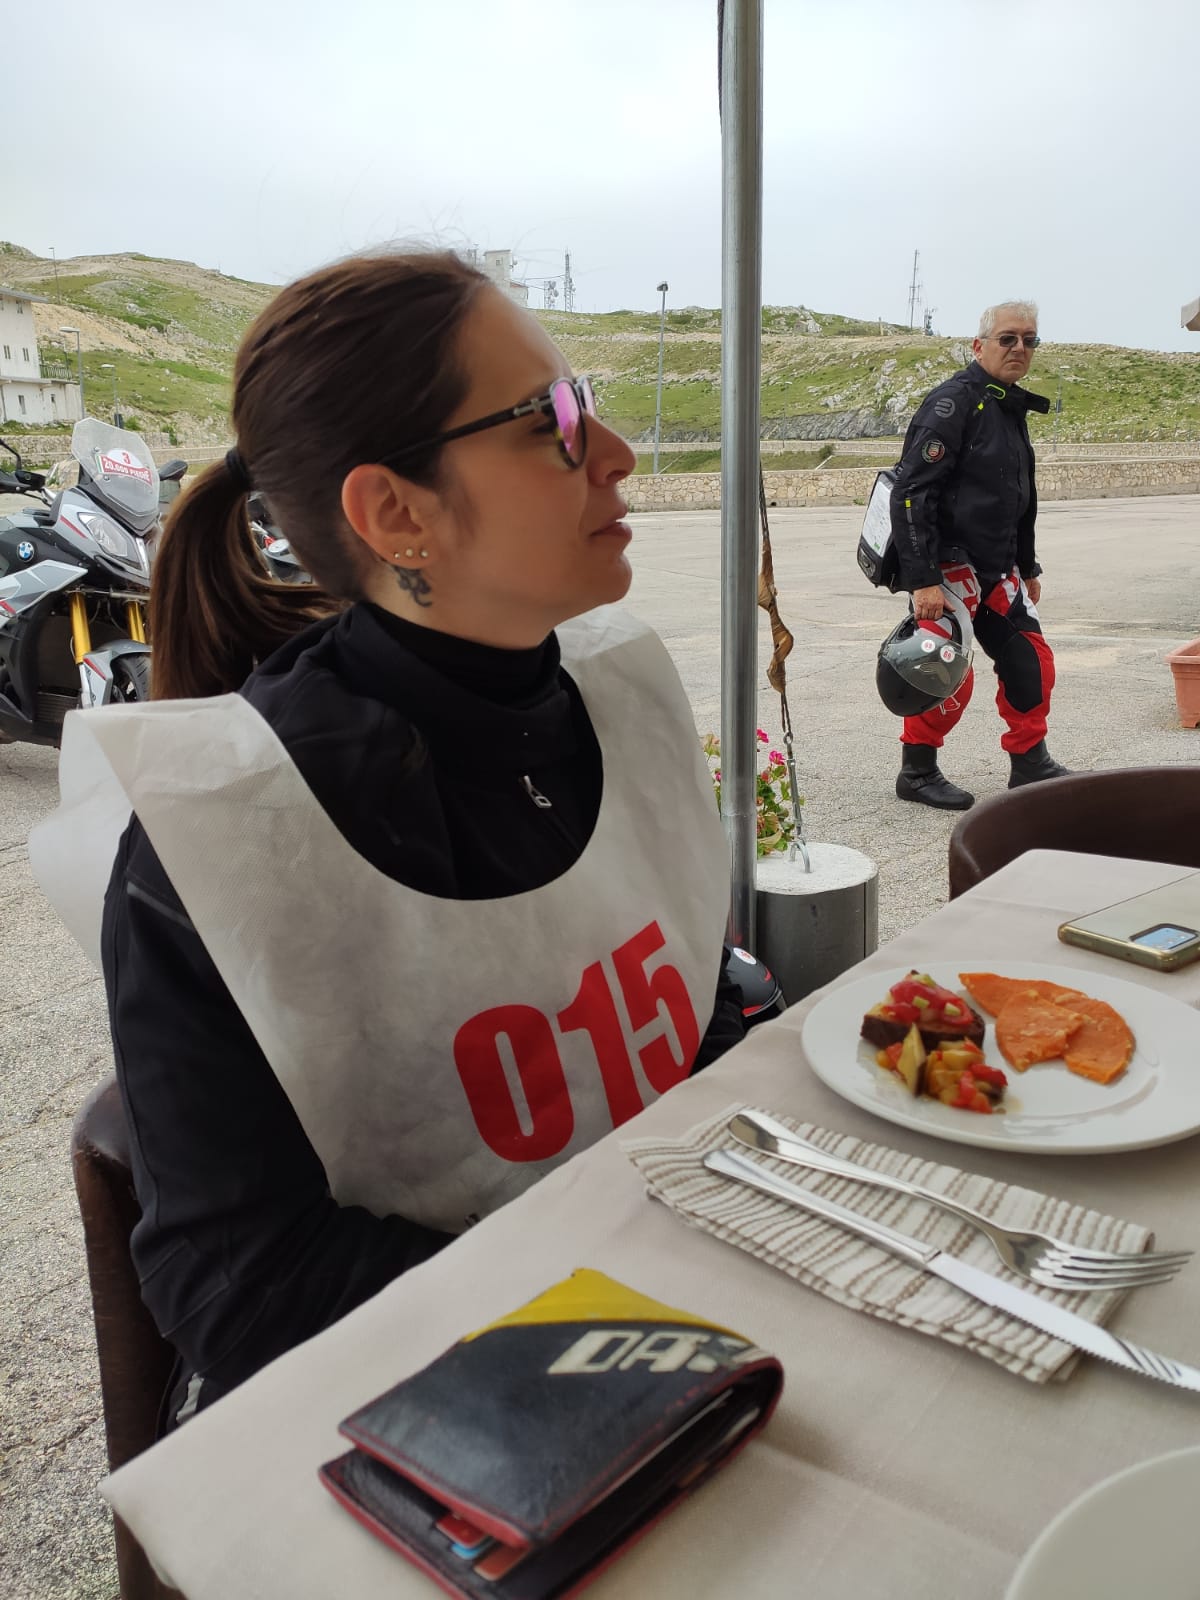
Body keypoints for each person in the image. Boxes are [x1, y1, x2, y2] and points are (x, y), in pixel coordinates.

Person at [57, 252, 750, 1427]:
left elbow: (696, 1008)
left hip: (711, 1303)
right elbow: (243, 1286)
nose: (618, 451)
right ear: (395, 514)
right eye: (553, 421)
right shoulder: (235, 834)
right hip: (446, 1416)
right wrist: (628, 1311)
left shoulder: (618, 695)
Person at [888, 300, 1070, 810]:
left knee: (1031, 660)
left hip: (999, 567)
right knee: (941, 669)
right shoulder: (952, 404)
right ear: (978, 345)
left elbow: (1018, 496)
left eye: (1029, 340)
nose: (1019, 348)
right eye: (1007, 338)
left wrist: (1027, 566)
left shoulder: (1007, 404)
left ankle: (1030, 763)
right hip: (949, 567)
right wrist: (922, 579)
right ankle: (917, 771)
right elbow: (910, 494)